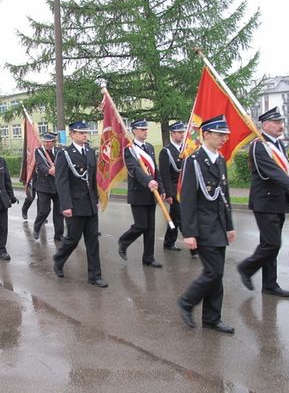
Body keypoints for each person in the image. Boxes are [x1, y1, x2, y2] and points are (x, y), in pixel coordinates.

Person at [237, 107, 289, 298]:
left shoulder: (278, 145)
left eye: (281, 122)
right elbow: (271, 171)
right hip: (265, 201)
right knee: (272, 243)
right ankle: (246, 268)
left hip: (278, 201)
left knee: (270, 245)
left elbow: (283, 173)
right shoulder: (258, 145)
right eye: (276, 122)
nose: (281, 125)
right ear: (265, 125)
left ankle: (269, 284)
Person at [177, 115, 236, 334]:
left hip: (218, 226)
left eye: (225, 136)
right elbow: (188, 200)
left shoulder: (219, 160)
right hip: (202, 227)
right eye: (220, 135)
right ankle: (187, 301)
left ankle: (212, 318)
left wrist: (229, 225)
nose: (224, 139)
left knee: (217, 275)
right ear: (207, 135)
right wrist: (189, 233)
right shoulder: (194, 161)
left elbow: (224, 196)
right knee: (213, 272)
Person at [52, 121, 108, 288]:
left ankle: (95, 276)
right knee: (72, 239)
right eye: (81, 133)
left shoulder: (90, 152)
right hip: (75, 205)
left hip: (90, 204)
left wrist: (96, 199)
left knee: (93, 241)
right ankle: (59, 259)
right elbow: (61, 182)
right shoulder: (65, 155)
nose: (85, 135)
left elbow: (92, 180)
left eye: (86, 133)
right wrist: (66, 205)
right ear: (72, 135)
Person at [118, 120, 165, 268]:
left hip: (152, 193)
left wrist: (162, 189)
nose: (145, 131)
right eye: (142, 129)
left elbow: (155, 170)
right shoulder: (129, 149)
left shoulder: (150, 147)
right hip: (138, 193)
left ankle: (148, 257)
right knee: (141, 225)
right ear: (134, 131)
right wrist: (148, 181)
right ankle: (124, 241)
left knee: (150, 228)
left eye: (146, 129)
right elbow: (134, 170)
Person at [159, 120, 199, 258]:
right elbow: (164, 175)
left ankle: (168, 242)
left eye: (183, 132)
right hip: (175, 190)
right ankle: (195, 249)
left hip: (186, 188)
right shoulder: (166, 152)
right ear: (172, 134)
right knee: (183, 218)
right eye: (179, 132)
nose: (182, 135)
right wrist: (168, 193)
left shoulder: (186, 149)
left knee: (174, 218)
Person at [33, 132, 64, 241]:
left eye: (48, 141)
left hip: (57, 186)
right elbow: (40, 165)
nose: (46, 143)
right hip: (44, 186)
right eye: (45, 141)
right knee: (44, 210)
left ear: (53, 142)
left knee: (59, 212)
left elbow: (63, 164)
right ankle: (36, 228)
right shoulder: (39, 151)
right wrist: (49, 170)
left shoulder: (59, 151)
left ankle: (59, 235)